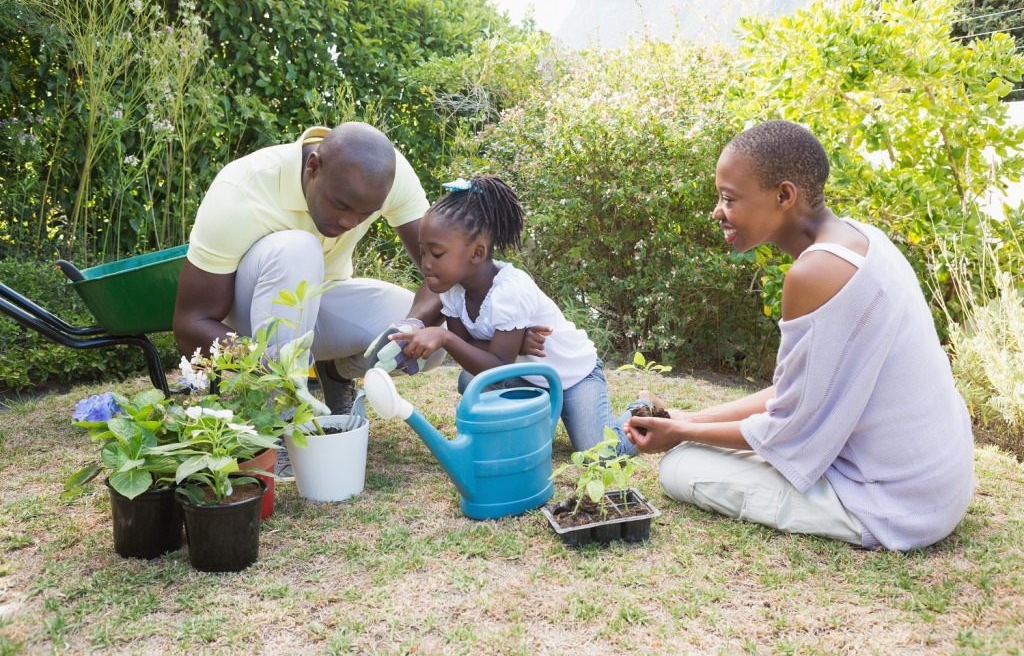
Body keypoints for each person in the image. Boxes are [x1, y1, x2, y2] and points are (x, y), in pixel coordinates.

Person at [624, 120, 975, 551]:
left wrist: (681, 435)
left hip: (897, 504)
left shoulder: (812, 273)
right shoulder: (866, 239)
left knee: (679, 468)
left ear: (784, 196)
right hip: (941, 483)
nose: (717, 211)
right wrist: (684, 419)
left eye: (729, 198)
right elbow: (798, 393)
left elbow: (788, 425)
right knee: (694, 446)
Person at [173, 123, 548, 420]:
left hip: (320, 304)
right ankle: (281, 417)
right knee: (297, 249)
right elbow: (190, 323)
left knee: (425, 343)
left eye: (364, 214)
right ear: (313, 167)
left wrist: (419, 326)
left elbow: (445, 276)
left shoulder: (385, 175)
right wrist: (261, 366)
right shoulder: (241, 190)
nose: (349, 222)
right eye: (341, 205)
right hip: (250, 327)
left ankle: (335, 372)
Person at [383, 176, 635, 455]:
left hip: (574, 378)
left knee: (600, 455)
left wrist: (446, 337)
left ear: (477, 253)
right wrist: (508, 346)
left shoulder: (509, 291)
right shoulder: (453, 292)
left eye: (437, 253)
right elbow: (469, 348)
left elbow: (495, 362)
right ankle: (531, 421)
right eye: (422, 251)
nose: (425, 263)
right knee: (469, 380)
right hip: (528, 376)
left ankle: (642, 409)